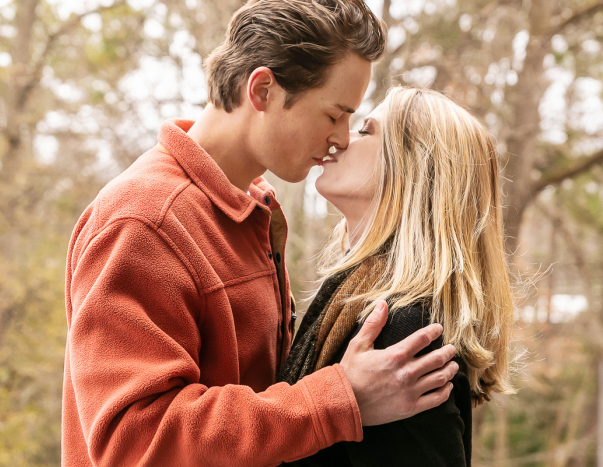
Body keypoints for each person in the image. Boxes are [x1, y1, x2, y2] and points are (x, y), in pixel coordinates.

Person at [61, 1, 460, 465]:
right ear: (263, 89)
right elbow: (135, 441)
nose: (344, 139)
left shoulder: (253, 207)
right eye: (334, 115)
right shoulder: (144, 222)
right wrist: (336, 401)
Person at [278, 86, 516, 466]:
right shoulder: (360, 298)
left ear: (411, 170)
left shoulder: (405, 331)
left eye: (366, 131)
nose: (340, 139)